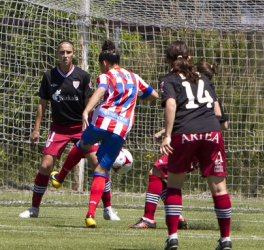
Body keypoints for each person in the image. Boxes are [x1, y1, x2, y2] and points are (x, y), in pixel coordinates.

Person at [58, 39, 158, 228]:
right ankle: (90, 214)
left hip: (101, 122)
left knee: (82, 145)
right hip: (120, 129)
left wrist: (86, 110)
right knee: (101, 171)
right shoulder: (134, 77)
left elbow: (101, 89)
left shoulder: (107, 75)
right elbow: (154, 96)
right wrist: (135, 96)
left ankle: (60, 177)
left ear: (104, 63)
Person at [19, 40, 119, 221]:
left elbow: (91, 100)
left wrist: (92, 124)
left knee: (99, 164)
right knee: (45, 166)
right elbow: (42, 103)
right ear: (57, 54)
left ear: (73, 54)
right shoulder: (49, 76)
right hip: (58, 128)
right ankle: (34, 208)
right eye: (62, 52)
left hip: (82, 128)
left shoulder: (82, 76)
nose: (65, 55)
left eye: (68, 52)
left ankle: (108, 209)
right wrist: (36, 129)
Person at [128, 61, 228, 230]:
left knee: (156, 172)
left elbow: (182, 113)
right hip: (210, 140)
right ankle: (181, 218)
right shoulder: (209, 93)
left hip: (188, 140)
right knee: (216, 187)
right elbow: (222, 120)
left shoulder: (190, 88)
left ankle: (149, 218)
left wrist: (167, 133)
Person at [159, 41, 232, 250]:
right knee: (219, 189)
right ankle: (225, 239)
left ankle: (173, 237)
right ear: (189, 58)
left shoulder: (168, 79)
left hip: (184, 134)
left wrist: (168, 135)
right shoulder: (202, 78)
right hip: (212, 132)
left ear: (167, 60)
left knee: (174, 185)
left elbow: (172, 104)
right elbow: (217, 112)